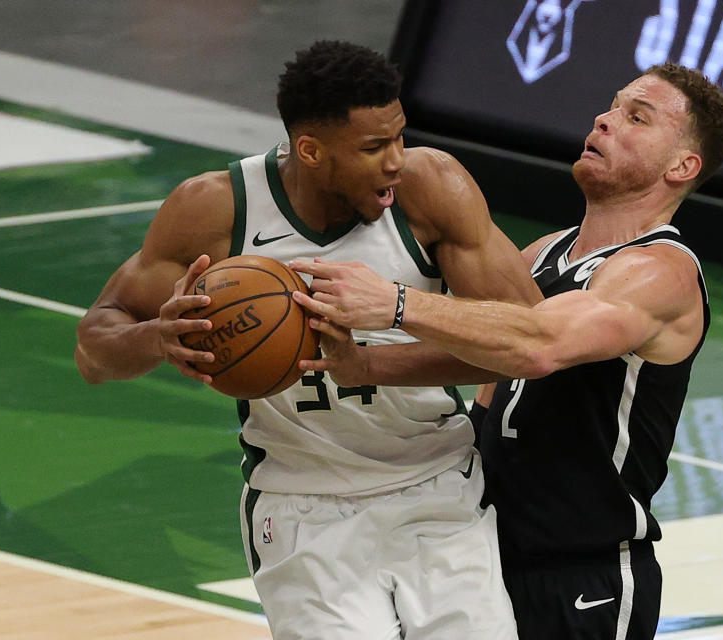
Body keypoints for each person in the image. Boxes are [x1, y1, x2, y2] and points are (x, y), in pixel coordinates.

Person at [74, 40, 543, 640]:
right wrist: (158, 339)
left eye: (400, 136)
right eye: (374, 147)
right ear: (311, 150)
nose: (397, 160)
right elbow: (94, 351)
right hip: (302, 503)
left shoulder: (432, 188)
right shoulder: (217, 209)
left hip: (438, 485)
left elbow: (532, 339)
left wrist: (389, 328)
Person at [291, 62, 723, 639]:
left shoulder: (661, 272)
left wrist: (396, 305)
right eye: (612, 105)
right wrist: (365, 366)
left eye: (636, 117)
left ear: (682, 166)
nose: (604, 120)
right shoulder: (546, 253)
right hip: (474, 555)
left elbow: (541, 345)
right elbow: (491, 361)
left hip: (581, 579)